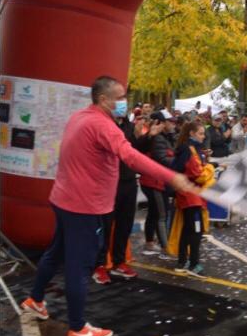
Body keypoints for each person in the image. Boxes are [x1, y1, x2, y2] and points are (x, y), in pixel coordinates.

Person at [20, 76, 196, 336]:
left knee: (55, 253)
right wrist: (170, 177)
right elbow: (131, 157)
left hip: (64, 200)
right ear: (104, 100)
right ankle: (78, 328)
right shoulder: (105, 126)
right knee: (80, 266)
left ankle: (35, 299)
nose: (125, 102)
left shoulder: (79, 117)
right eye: (120, 97)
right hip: (84, 206)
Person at [92, 113, 150, 284]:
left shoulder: (130, 126)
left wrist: (148, 136)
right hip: (109, 182)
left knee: (124, 224)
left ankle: (119, 262)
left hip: (129, 181)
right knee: (106, 225)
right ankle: (99, 265)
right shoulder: (105, 124)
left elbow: (136, 150)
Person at [170, 121, 214, 278]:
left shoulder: (190, 149)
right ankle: (193, 263)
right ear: (192, 133)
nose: (203, 136)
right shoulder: (189, 150)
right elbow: (198, 175)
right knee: (196, 230)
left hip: (189, 196)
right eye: (201, 133)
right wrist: (209, 168)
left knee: (188, 229)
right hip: (191, 196)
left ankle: (182, 262)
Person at [140, 109, 178, 254]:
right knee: (162, 215)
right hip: (153, 181)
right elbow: (161, 158)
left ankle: (151, 241)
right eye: (168, 122)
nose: (172, 124)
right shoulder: (157, 138)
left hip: (157, 181)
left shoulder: (166, 137)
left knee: (155, 213)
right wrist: (180, 162)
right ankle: (165, 247)